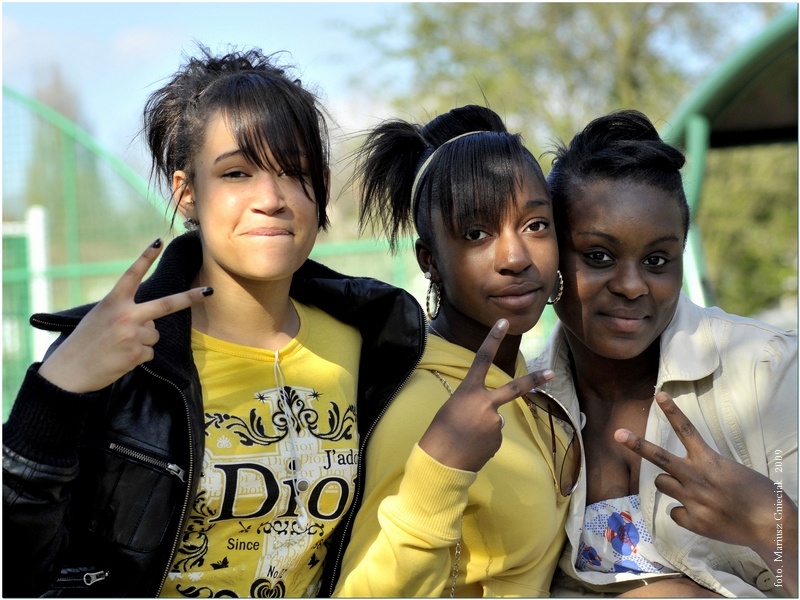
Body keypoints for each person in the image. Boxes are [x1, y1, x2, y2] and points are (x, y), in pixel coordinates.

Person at [2, 45, 426, 598]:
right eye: (236, 173)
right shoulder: (113, 353)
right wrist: (54, 396)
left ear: (321, 185)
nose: (270, 198)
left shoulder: (374, 340)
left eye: (293, 172)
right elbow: (16, 573)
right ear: (186, 192)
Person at [528, 109, 798, 597]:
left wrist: (772, 525)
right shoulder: (523, 403)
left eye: (656, 261)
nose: (632, 286)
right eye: (599, 256)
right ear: (551, 258)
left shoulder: (767, 369)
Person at [330, 104, 580, 597]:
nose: (514, 257)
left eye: (535, 225)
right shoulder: (426, 408)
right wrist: (441, 471)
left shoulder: (516, 371)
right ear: (430, 261)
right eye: (476, 234)